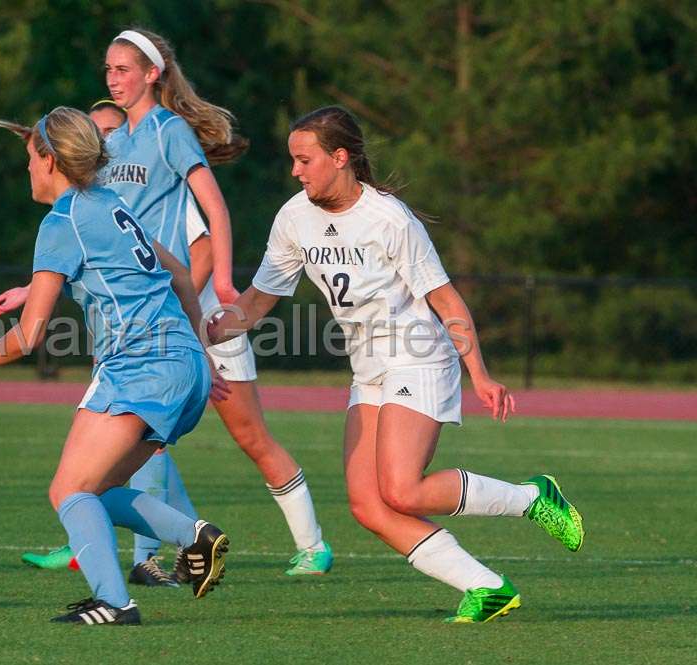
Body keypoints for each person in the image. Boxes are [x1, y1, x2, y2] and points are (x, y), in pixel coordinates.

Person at [208, 106, 585, 623]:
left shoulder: (389, 219)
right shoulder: (294, 217)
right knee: (369, 506)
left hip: (419, 357)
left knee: (402, 488)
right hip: (368, 369)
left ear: (340, 158)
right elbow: (254, 304)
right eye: (293, 161)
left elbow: (448, 302)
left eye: (305, 159)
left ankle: (531, 497)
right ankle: (487, 586)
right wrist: (203, 328)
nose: (296, 171)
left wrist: (480, 374)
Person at [1, 27, 335, 580]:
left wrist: (223, 287)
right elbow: (92, 233)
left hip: (192, 308)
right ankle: (136, 546)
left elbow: (211, 218)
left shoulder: (168, 133)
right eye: (108, 69)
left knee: (248, 433)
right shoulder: (121, 148)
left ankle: (310, 544)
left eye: (123, 68)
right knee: (141, 439)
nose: (112, 79)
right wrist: (36, 287)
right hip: (144, 314)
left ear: (153, 73)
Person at [0, 107, 231, 625]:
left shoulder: (62, 221)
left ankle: (115, 603)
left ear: (50, 160)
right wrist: (200, 357)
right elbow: (183, 277)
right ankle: (194, 536)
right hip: (183, 365)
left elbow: (29, 336)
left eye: (30, 157)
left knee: (68, 491)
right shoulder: (112, 202)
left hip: (139, 366)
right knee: (93, 492)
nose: (27, 168)